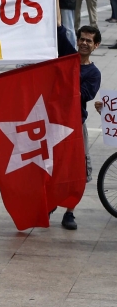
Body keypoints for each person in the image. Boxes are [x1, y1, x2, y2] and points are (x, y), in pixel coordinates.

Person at [57, 25, 101, 230]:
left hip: (76, 124)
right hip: (55, 122)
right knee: (53, 165)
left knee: (77, 170)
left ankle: (69, 212)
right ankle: (48, 205)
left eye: (89, 41)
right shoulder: (67, 58)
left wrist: (62, 79)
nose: (84, 43)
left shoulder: (94, 73)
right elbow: (58, 30)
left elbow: (83, 95)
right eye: (82, 39)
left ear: (96, 46)